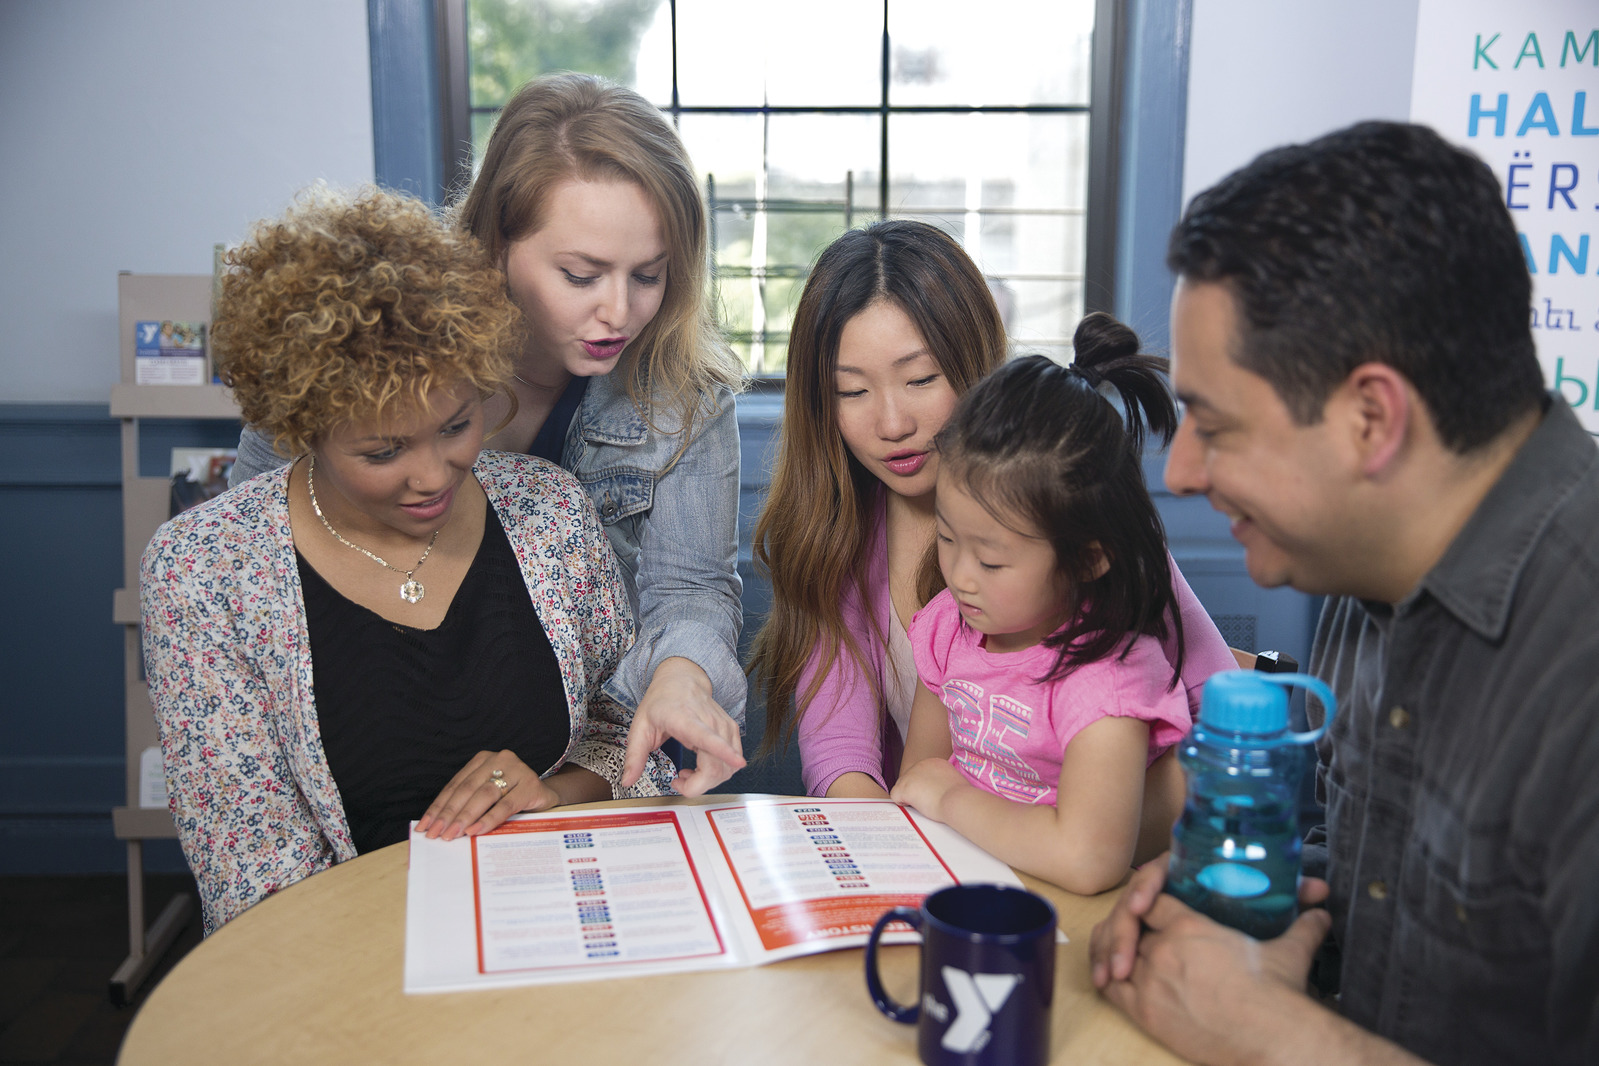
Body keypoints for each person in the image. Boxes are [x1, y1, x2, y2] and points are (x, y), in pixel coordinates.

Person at [1088, 121, 1599, 1065]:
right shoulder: (1360, 576)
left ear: (1371, 419)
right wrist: (1227, 891)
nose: (1184, 469)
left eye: (1213, 423)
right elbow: (1391, 882)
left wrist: (1275, 1037)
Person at [143, 186, 674, 934]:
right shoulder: (206, 571)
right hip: (347, 977)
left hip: (567, 933)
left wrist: (556, 792)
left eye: (456, 425)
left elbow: (628, 734)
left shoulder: (547, 508)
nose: (432, 475)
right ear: (303, 424)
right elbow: (252, 880)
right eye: (383, 451)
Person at [229, 73, 747, 794]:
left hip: (575, 765)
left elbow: (689, 592)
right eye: (580, 274)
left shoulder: (683, 395)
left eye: (649, 275)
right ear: (497, 242)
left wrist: (682, 677)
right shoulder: (359, 347)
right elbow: (246, 561)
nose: (620, 312)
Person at [750, 220, 1235, 862]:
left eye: (920, 380)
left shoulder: (1069, 525)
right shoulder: (831, 539)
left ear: (975, 361)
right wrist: (889, 850)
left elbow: (1223, 738)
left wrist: (1068, 835)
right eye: (853, 391)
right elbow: (846, 760)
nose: (892, 423)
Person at [891, 316, 1199, 894]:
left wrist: (954, 798)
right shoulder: (947, 630)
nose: (958, 578)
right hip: (970, 880)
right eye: (948, 538)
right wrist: (941, 797)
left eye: (992, 561)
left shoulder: (1103, 681)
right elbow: (918, 777)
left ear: (1088, 560)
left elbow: (1088, 860)